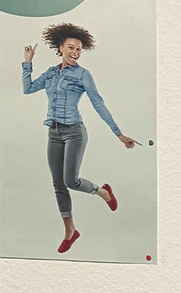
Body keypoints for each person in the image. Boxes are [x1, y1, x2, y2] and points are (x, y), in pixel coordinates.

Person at [21, 23, 140, 254]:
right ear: (60, 48)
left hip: (74, 132)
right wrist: (28, 62)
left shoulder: (83, 75)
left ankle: (103, 192)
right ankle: (70, 231)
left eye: (79, 49)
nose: (75, 52)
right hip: (53, 132)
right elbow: (28, 89)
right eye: (71, 48)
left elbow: (98, 104)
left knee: (70, 181)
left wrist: (118, 133)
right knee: (58, 184)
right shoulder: (50, 73)